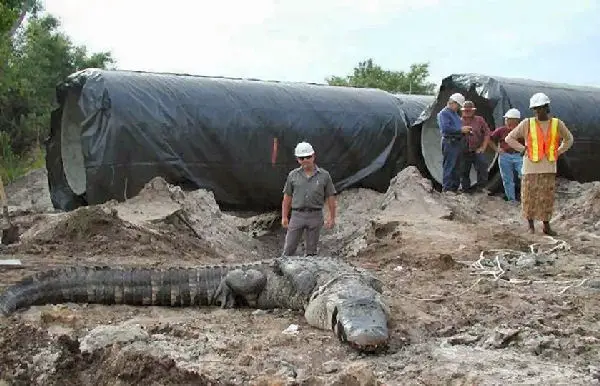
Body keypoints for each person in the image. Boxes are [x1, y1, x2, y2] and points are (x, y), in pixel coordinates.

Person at [505, 92, 574, 235]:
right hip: (530, 167)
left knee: (546, 198)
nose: (537, 111)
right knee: (529, 197)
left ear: (547, 108)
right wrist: (522, 149)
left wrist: (558, 151)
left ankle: (546, 226)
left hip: (548, 166)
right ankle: (531, 226)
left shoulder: (556, 124)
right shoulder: (527, 123)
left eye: (540, 108)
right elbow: (509, 138)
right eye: (535, 109)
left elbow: (569, 139)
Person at [281, 141, 337, 256]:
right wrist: (284, 217)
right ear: (297, 159)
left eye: (308, 157)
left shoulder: (324, 176)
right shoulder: (293, 176)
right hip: (297, 215)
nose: (305, 160)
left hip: (315, 215)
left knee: (311, 251)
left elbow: (330, 197)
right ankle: (280, 271)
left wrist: (332, 217)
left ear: (313, 156)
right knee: (289, 248)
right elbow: (287, 197)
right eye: (301, 158)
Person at [437, 93, 472, 193]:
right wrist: (461, 130)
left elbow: (458, 127)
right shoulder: (443, 114)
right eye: (458, 105)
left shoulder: (455, 114)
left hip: (457, 143)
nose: (458, 108)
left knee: (457, 167)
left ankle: (454, 188)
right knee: (450, 166)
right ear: (452, 102)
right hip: (449, 142)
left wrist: (465, 131)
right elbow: (445, 128)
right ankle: (447, 189)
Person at [489, 108, 525, 203]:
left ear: (515, 120)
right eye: (506, 119)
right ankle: (511, 199)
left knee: (524, 176)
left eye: (508, 119)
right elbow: (489, 138)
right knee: (507, 178)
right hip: (505, 156)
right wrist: (497, 149)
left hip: (518, 156)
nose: (506, 121)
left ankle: (526, 197)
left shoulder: (522, 131)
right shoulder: (501, 130)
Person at [460, 100, 491, 192]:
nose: (467, 112)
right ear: (462, 111)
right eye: (466, 110)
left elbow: (487, 133)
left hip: (477, 149)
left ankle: (481, 188)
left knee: (482, 167)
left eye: (470, 110)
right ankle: (465, 190)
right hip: (463, 150)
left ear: (474, 111)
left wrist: (483, 147)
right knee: (463, 171)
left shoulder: (479, 120)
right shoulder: (458, 121)